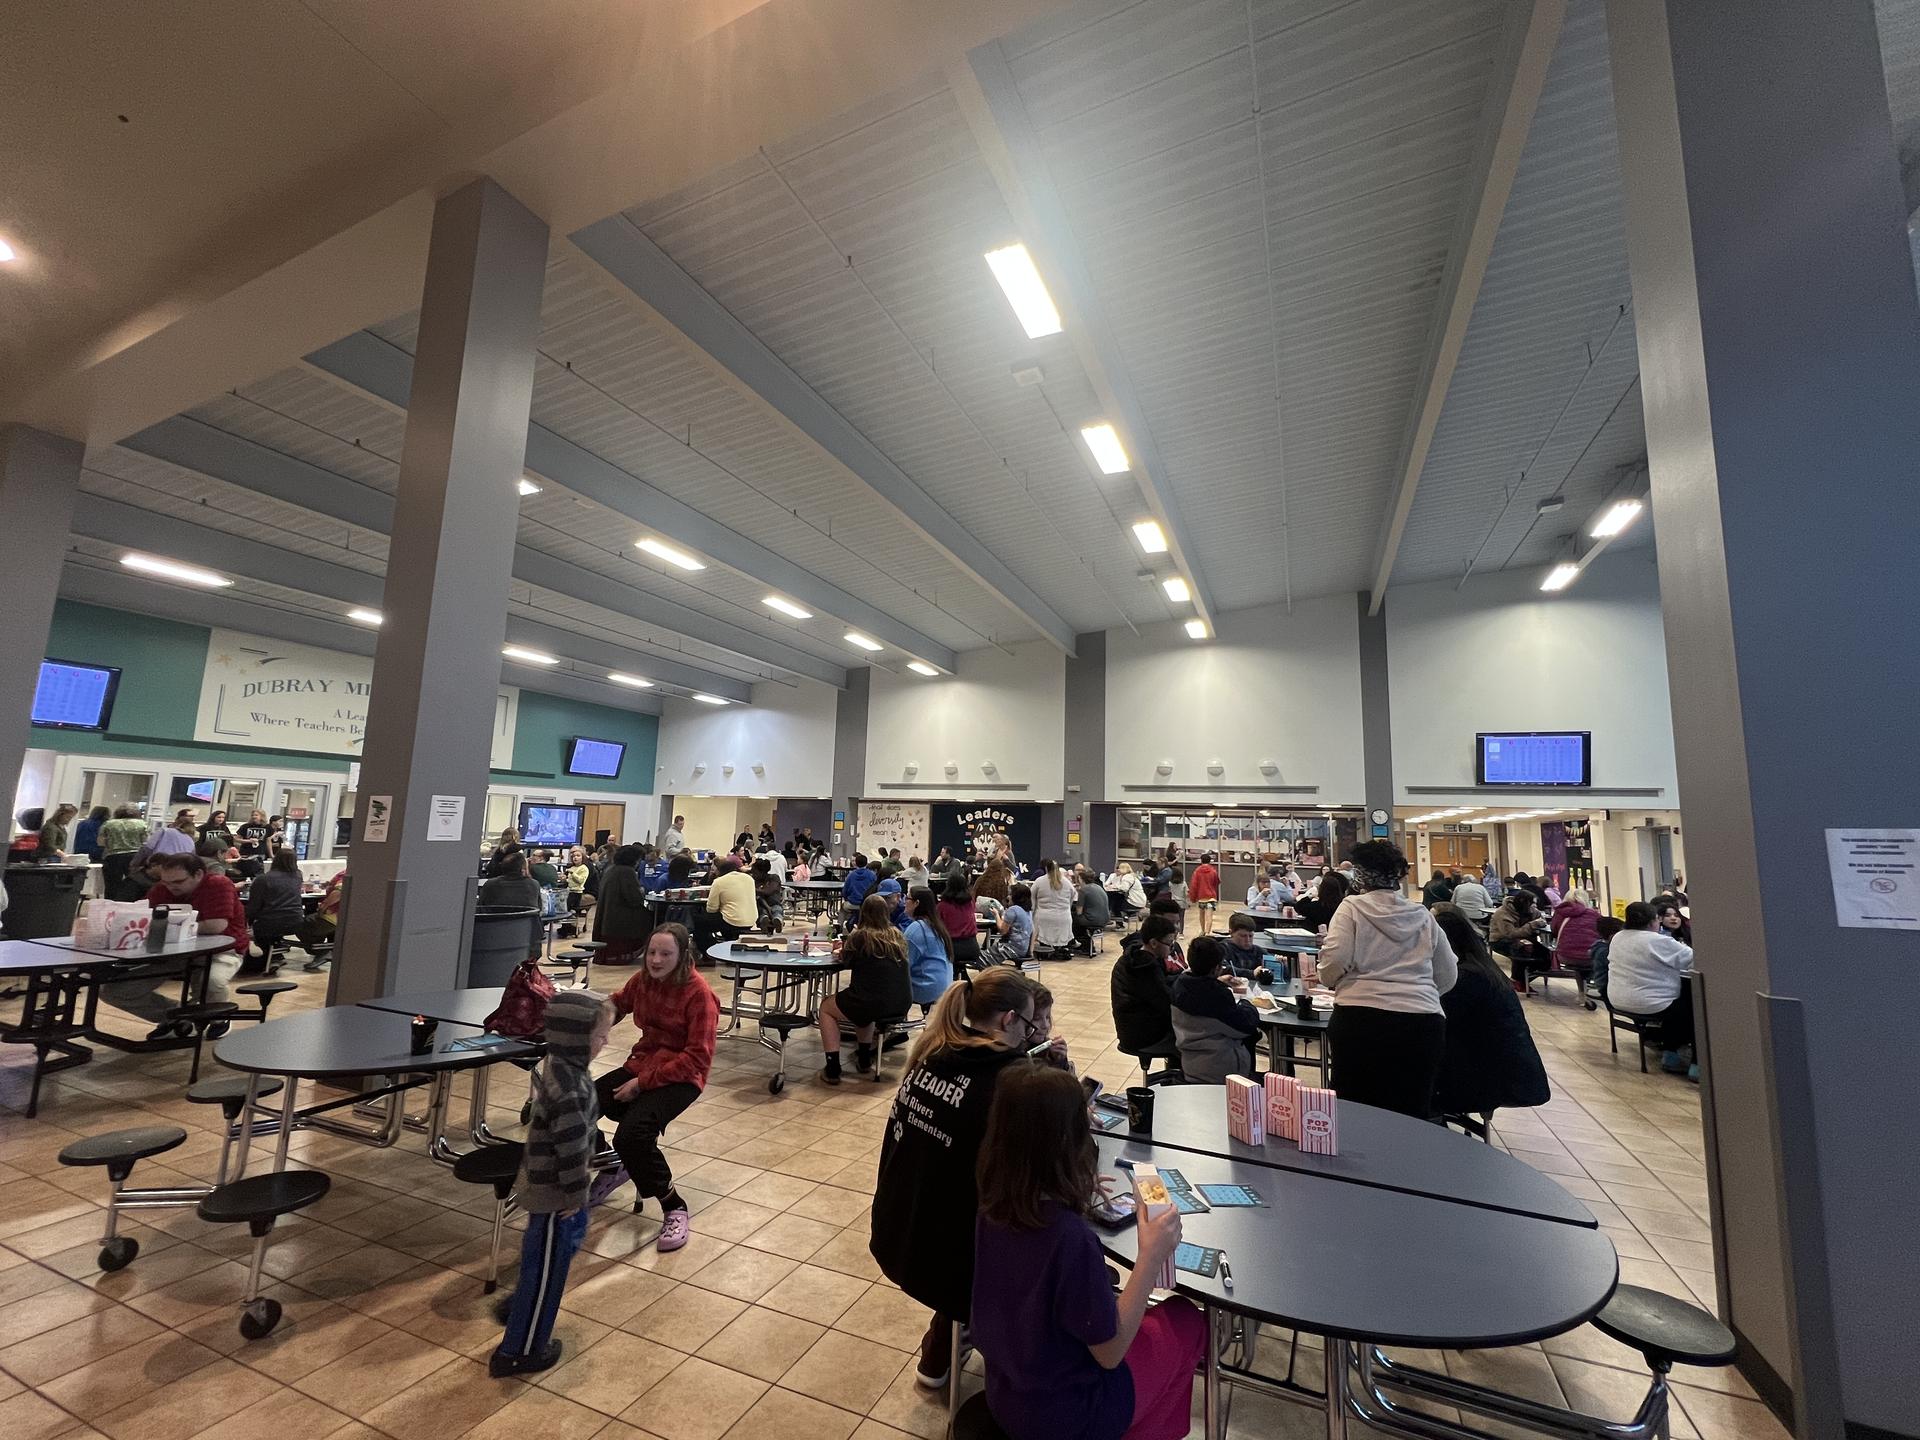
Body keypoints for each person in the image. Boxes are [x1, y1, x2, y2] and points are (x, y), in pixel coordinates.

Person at [970, 1065, 1203, 1440]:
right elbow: (1109, 1353)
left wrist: (1070, 1191)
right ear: (1072, 1142)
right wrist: (1150, 1256)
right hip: (1070, 1415)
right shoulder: (1071, 1240)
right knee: (1186, 1321)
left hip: (1006, 1392)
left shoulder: (992, 1206)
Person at [869, 966, 1043, 1389]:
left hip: (900, 1229)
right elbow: (1044, 1169)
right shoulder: (1008, 1081)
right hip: (950, 1257)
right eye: (1032, 1023)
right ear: (1010, 1020)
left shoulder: (932, 1053)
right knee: (1050, 1232)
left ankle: (943, 1340)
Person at [487, 987, 614, 1376]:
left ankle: (521, 1305)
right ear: (577, 1039)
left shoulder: (561, 1065)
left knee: (544, 1259)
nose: (605, 1041)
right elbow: (572, 1149)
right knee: (548, 1270)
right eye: (599, 1035)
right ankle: (519, 1353)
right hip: (556, 1197)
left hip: (548, 1191)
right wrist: (577, 1196)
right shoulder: (571, 1086)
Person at [587, 924, 718, 1247]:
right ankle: (613, 1165)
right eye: (651, 953)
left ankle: (674, 1206)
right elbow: (618, 1003)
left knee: (632, 1135)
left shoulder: (699, 994)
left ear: (682, 955)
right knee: (578, 1103)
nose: (656, 960)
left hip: (681, 1077)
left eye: (665, 954)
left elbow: (697, 1059)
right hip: (643, 1065)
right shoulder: (643, 980)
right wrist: (593, 1023)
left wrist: (641, 1084)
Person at [1315, 840, 1457, 1119]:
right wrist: (1416, 992)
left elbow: (1334, 963)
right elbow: (1448, 973)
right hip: (1422, 1024)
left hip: (1360, 1020)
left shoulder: (1351, 908)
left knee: (1355, 1107)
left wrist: (1333, 980)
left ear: (1359, 874)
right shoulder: (1422, 915)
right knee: (1410, 1109)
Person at [1430, 905, 1550, 1121]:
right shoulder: (1484, 969)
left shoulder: (1464, 979)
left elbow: (1436, 1023)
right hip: (1507, 1071)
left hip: (1488, 1077)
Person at [817, 894, 913, 1083]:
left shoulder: (860, 936)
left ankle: (833, 1066)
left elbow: (847, 961)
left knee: (827, 1008)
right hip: (901, 1002)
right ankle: (863, 1058)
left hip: (870, 1000)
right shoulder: (897, 935)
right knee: (862, 1007)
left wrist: (840, 950)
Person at [1607, 901, 1697, 1077]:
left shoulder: (1618, 937)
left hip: (1618, 998)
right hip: (1650, 1002)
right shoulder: (1657, 941)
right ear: (1653, 921)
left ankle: (1670, 1054)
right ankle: (1696, 1065)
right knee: (1695, 1009)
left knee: (1679, 1005)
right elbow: (1694, 959)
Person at [1170, 936, 1261, 1083]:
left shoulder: (1180, 984)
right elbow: (1245, 1027)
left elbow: (1200, 992)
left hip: (1190, 1064)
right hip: (1223, 1071)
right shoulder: (1216, 996)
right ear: (1216, 968)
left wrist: (1216, 982)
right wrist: (1247, 1002)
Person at [146, 853, 250, 973]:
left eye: (178, 882)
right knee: (130, 983)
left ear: (198, 874)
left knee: (212, 983)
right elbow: (144, 919)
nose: (170, 887)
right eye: (165, 882)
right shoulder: (161, 888)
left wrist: (167, 927)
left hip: (222, 950)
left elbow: (215, 926)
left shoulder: (218, 884)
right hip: (172, 950)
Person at [1110, 914, 1180, 1057]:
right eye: (1169, 943)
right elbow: (1165, 1001)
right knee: (1192, 1042)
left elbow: (1164, 983)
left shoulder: (1137, 957)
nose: (1172, 948)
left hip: (1133, 1030)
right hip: (1142, 1036)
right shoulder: (1145, 967)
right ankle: (1180, 1078)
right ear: (1154, 943)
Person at [242, 848, 306, 975]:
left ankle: (269, 958)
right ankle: (276, 955)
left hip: (269, 923)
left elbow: (254, 906)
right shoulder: (298, 876)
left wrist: (245, 919)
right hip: (296, 920)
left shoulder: (263, 879)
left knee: (266, 926)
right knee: (276, 924)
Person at [591, 844, 651, 964]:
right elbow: (634, 898)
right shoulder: (627, 872)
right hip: (620, 918)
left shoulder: (611, 869)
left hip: (608, 917)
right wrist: (642, 892)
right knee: (650, 918)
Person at [1490, 889, 1551, 993]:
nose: (1535, 907)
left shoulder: (1531, 911)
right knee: (1521, 950)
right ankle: (1519, 981)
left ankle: (1520, 979)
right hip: (1500, 940)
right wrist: (1532, 925)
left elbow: (1541, 918)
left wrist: (1540, 922)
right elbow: (1511, 934)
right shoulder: (1503, 913)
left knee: (1545, 955)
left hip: (1525, 940)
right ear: (1525, 903)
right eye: (1533, 904)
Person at [904, 887, 954, 1010]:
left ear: (916, 903)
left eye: (907, 898)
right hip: (945, 987)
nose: (904, 901)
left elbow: (903, 964)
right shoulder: (937, 926)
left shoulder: (916, 929)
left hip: (927, 989)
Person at [702, 856, 758, 954]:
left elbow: (711, 909)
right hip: (751, 919)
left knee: (699, 923)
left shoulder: (719, 882)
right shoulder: (749, 878)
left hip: (731, 920)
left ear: (719, 871)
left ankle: (708, 954)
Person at [1550, 888, 1603, 980]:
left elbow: (1554, 930)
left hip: (1565, 956)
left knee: (1579, 963)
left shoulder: (1560, 912)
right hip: (1590, 956)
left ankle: (1582, 990)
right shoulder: (1594, 914)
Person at [99, 804, 150, 899]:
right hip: (135, 856)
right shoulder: (142, 824)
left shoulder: (109, 823)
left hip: (113, 856)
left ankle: (111, 905)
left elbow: (100, 842)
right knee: (134, 883)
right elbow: (146, 842)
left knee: (112, 885)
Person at [939, 872, 983, 975]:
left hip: (952, 947)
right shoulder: (970, 903)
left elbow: (937, 927)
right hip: (972, 946)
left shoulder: (942, 906)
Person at [1031, 858, 1076, 955]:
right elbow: (1073, 895)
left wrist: (1032, 913)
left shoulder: (1039, 881)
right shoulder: (1067, 882)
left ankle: (1044, 950)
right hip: (1064, 918)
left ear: (1046, 869)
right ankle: (1061, 949)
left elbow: (1032, 900)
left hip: (1043, 918)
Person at [478, 851, 542, 911]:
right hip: (526, 922)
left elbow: (480, 908)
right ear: (523, 869)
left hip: (496, 922)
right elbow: (539, 909)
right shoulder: (534, 884)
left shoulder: (490, 884)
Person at [988, 882, 1034, 965]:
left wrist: (996, 915)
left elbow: (1002, 930)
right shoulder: (1028, 911)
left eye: (1010, 894)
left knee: (984, 957)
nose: (1008, 897)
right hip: (1023, 949)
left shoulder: (1013, 909)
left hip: (1011, 948)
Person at [1071, 866, 1110, 957]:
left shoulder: (1083, 890)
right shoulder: (1098, 887)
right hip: (1105, 918)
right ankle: (1087, 944)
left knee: (1072, 919)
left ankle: (1082, 944)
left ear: (1081, 879)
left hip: (1092, 919)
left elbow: (1079, 912)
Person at [1221, 915, 1265, 981]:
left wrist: (1282, 966)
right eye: (1243, 936)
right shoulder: (1222, 949)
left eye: (1251, 936)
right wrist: (1252, 973)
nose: (1247, 940)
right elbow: (1224, 969)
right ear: (1231, 933)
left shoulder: (1258, 951)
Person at [1187, 852, 1220, 935]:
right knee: (1209, 917)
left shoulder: (1197, 871)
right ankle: (1207, 932)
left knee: (1201, 915)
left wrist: (1193, 898)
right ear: (1210, 861)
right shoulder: (1213, 871)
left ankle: (1202, 930)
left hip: (1201, 897)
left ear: (1201, 861)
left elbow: (1194, 885)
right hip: (1211, 897)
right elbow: (1217, 882)